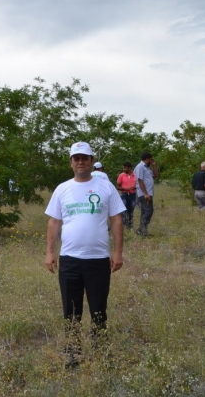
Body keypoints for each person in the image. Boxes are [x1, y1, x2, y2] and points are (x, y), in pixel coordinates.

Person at [44, 141, 125, 367]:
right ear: (71, 162)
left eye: (84, 158)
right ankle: (73, 353)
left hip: (98, 260)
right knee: (71, 310)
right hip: (70, 259)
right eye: (76, 158)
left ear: (91, 161)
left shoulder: (106, 187)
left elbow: (117, 219)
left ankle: (101, 351)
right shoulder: (62, 189)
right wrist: (50, 252)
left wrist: (118, 252)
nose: (80, 162)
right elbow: (54, 222)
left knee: (99, 308)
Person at [134, 152, 159, 236]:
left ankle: (142, 231)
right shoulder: (140, 166)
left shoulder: (147, 168)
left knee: (144, 211)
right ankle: (141, 229)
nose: (151, 161)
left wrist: (154, 165)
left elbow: (155, 175)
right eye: (151, 160)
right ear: (148, 159)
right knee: (149, 210)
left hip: (148, 193)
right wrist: (145, 193)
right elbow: (139, 180)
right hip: (144, 194)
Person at [116, 163, 137, 230]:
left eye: (125, 168)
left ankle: (130, 225)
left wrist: (135, 187)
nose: (124, 169)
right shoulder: (121, 175)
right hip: (124, 194)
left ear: (130, 168)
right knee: (123, 210)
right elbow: (118, 186)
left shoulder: (136, 175)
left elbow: (139, 184)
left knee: (131, 210)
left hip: (133, 195)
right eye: (123, 168)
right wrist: (125, 189)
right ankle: (124, 225)